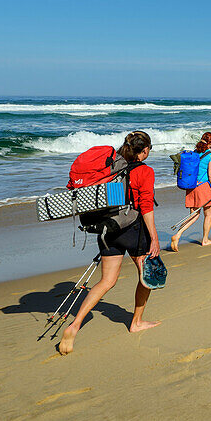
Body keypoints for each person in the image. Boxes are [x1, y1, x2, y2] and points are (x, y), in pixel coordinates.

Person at [59, 131, 161, 355]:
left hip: (106, 228)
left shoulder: (110, 165)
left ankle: (74, 326)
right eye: (148, 150)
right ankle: (136, 322)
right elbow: (145, 207)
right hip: (132, 228)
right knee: (146, 275)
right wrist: (153, 237)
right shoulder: (145, 171)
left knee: (106, 281)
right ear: (144, 151)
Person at [170, 131, 211, 250]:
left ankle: (178, 235)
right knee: (208, 214)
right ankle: (205, 240)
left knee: (194, 215)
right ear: (210, 143)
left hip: (191, 186)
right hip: (203, 187)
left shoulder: (195, 153)